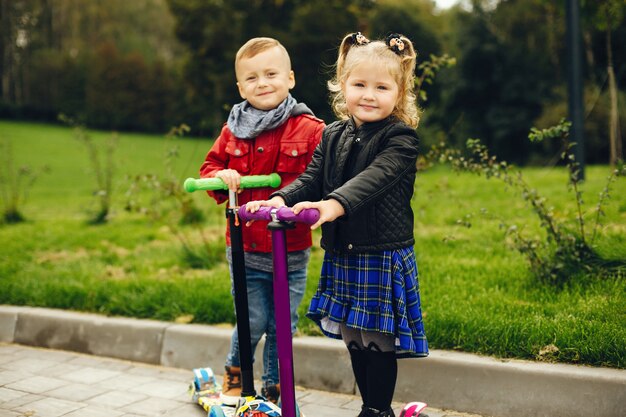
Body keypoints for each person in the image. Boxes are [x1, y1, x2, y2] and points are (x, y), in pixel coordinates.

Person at [245, 32, 428, 417]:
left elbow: (374, 179)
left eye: (381, 87)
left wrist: (331, 206)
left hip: (381, 252)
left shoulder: (401, 140)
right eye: (359, 84)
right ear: (342, 86)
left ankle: (378, 410)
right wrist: (280, 199)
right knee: (354, 336)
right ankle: (371, 406)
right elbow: (311, 177)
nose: (368, 94)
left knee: (377, 337)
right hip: (344, 250)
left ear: (399, 92)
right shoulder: (333, 134)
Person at [199, 37, 324, 405]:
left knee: (281, 323)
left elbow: (325, 174)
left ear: (290, 78)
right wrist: (221, 175)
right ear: (240, 87)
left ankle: (275, 385)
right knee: (252, 318)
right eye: (251, 78)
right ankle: (236, 374)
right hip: (245, 246)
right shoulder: (232, 129)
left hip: (292, 246)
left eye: (271, 74)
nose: (262, 83)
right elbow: (208, 167)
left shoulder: (310, 129)